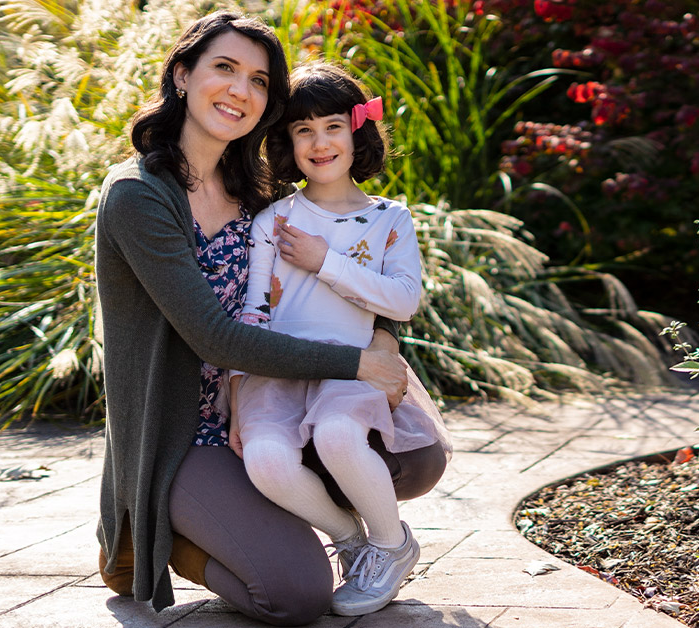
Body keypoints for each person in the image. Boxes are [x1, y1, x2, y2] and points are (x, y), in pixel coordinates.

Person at [92, 12, 446, 626]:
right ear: (182, 74)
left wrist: (381, 339)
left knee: (410, 459)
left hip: (274, 391)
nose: (240, 90)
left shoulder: (254, 189)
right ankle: (150, 531)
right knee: (295, 596)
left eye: (259, 80)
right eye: (224, 69)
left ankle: (325, 530)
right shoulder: (139, 195)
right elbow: (216, 338)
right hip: (188, 426)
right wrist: (360, 363)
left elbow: (344, 281)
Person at [227, 61, 451, 617]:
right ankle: (352, 540)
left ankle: (392, 544)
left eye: (332, 126)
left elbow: (402, 301)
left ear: (357, 131)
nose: (320, 142)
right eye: (304, 131)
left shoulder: (388, 220)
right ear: (287, 143)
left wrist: (324, 260)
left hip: (351, 368)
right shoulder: (273, 221)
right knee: (267, 462)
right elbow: (252, 311)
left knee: (338, 436)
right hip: (272, 372)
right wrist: (235, 398)